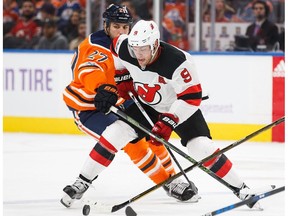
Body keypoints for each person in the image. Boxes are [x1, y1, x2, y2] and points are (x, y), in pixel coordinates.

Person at [95, 19, 271, 209]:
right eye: (135, 48)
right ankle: (82, 181)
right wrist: (121, 79)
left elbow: (191, 98)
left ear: (154, 44)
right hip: (148, 103)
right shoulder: (124, 45)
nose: (138, 53)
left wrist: (168, 122)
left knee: (200, 147)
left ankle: (242, 189)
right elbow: (116, 52)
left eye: (143, 48)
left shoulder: (179, 60)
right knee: (116, 131)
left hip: (178, 105)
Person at [60, 4, 198, 208]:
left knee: (153, 132)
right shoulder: (95, 45)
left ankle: (173, 177)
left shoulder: (131, 44)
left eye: (126, 27)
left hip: (120, 100)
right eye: (117, 27)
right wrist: (102, 88)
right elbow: (89, 71)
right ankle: (166, 183)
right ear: (106, 26)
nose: (122, 32)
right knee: (133, 142)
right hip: (91, 107)